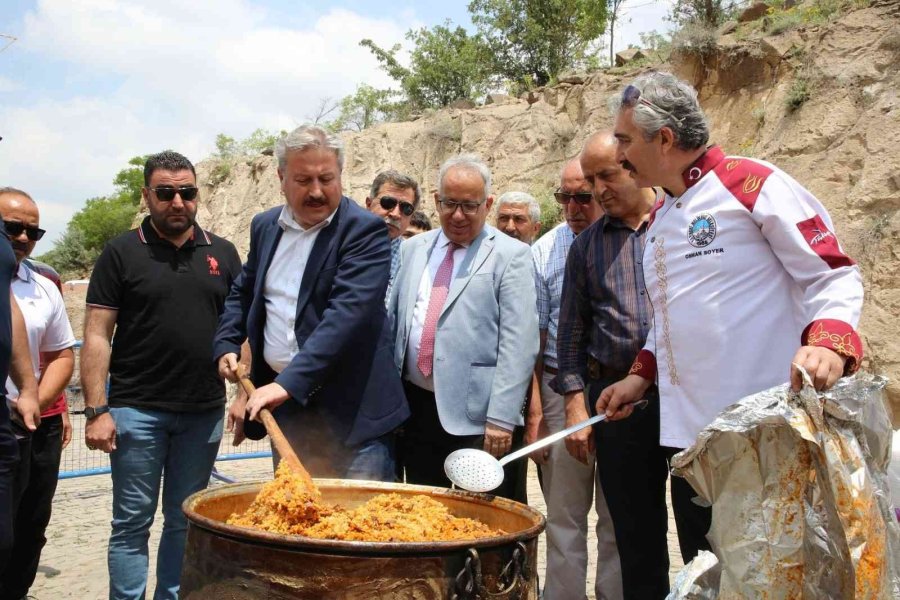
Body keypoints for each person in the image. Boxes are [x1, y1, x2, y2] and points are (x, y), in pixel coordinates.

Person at [600, 71, 864, 565]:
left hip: (762, 443)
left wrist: (829, 341)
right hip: (690, 447)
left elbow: (832, 274)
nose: (617, 154)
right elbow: (674, 321)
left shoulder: (751, 184)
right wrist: (641, 376)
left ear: (665, 139)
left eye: (624, 139)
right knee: (711, 573)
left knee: (774, 578)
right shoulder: (660, 219)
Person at [81, 151, 242, 600]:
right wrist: (97, 410)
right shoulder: (121, 252)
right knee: (132, 522)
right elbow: (96, 335)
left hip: (203, 413)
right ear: (146, 195)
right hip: (137, 413)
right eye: (166, 192)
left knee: (185, 519)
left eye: (187, 192)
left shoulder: (223, 253)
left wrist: (242, 388)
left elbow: (240, 327)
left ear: (197, 195)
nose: (178, 202)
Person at [214, 125, 409, 482]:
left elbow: (346, 317)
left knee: (361, 530)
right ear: (281, 177)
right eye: (303, 180)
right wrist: (226, 341)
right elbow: (245, 290)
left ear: (341, 175)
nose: (317, 191)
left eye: (326, 178)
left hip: (354, 421)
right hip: (288, 416)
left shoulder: (363, 231)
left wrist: (287, 383)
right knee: (299, 524)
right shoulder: (265, 226)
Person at [551, 133, 668, 598]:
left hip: (686, 398)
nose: (597, 189)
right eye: (589, 179)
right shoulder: (587, 248)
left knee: (706, 521)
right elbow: (570, 337)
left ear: (634, 164)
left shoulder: (680, 223)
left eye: (606, 175)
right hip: (617, 407)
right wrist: (577, 409)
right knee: (633, 535)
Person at [389, 154, 538, 501]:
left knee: (488, 519)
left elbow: (519, 343)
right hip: (416, 409)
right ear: (437, 201)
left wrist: (501, 417)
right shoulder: (413, 249)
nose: (457, 215)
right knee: (427, 514)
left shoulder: (511, 255)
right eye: (450, 204)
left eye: (469, 206)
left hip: (480, 420)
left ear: (487, 204)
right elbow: (397, 324)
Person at [528, 158, 620, 600]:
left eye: (581, 197)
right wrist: (537, 414)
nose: (571, 208)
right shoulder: (545, 252)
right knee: (564, 511)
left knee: (616, 511)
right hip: (558, 390)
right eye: (563, 197)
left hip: (618, 391)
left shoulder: (633, 241)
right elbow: (536, 340)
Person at [0, 188, 75, 600]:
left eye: (34, 231)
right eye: (12, 228)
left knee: (32, 526)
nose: (24, 238)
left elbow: (62, 354)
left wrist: (37, 404)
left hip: (36, 424)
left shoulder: (44, 285)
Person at [364, 170, 421, 303]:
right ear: (368, 204)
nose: (395, 214)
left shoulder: (415, 262)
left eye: (406, 208)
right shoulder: (342, 243)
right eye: (388, 203)